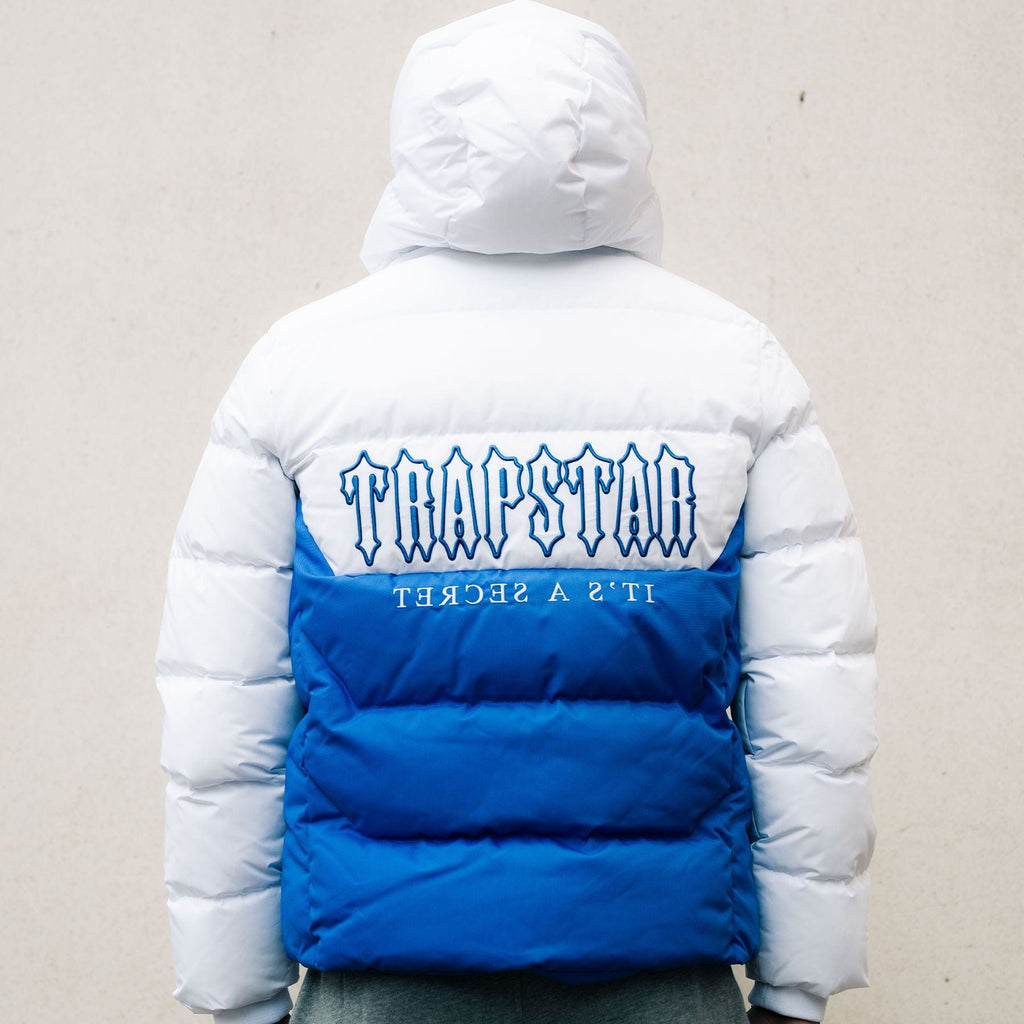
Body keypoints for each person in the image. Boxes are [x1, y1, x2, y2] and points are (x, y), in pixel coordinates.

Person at [156, 3, 877, 1023]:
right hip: (659, 973)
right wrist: (799, 982)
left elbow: (223, 712)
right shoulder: (735, 365)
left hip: (382, 972)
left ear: (418, 132)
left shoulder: (298, 369)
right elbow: (814, 704)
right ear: (624, 131)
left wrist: (238, 995)